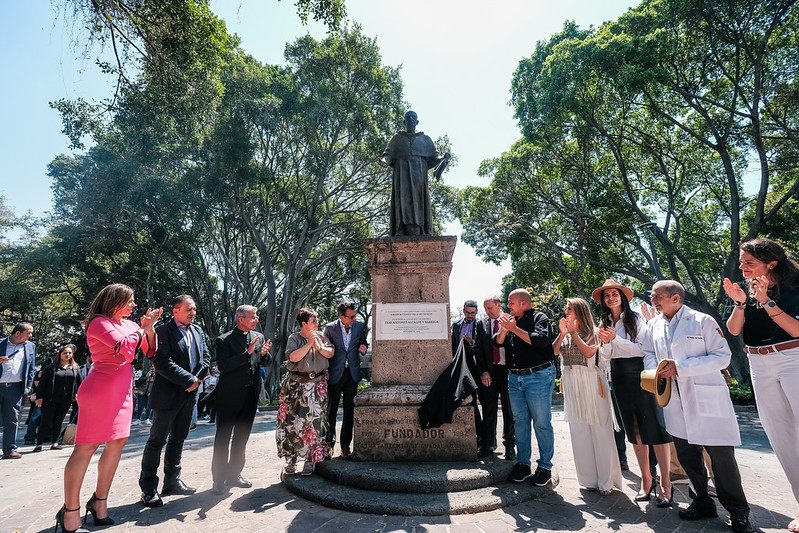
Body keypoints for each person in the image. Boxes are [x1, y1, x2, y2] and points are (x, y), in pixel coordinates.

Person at [642, 280, 753, 533]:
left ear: (675, 299)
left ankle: (738, 511)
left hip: (705, 397)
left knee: (721, 459)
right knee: (687, 456)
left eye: (657, 296)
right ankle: (702, 502)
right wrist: (654, 371)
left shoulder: (702, 321)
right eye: (652, 296)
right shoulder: (653, 324)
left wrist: (681, 368)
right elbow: (648, 352)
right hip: (674, 398)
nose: (652, 300)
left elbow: (722, 356)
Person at [59, 283, 161, 533]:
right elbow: (126, 350)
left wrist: (149, 328)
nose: (134, 305)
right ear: (115, 301)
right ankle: (70, 513)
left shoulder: (130, 325)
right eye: (130, 300)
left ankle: (99, 503)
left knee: (117, 443)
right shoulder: (98, 323)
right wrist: (142, 328)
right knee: (87, 447)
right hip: (99, 390)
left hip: (123, 390)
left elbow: (149, 350)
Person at [723, 238, 799, 533]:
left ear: (772, 263)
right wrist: (740, 303)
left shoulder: (794, 288)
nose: (742, 267)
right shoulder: (748, 291)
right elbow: (733, 330)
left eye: (749, 262)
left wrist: (766, 301)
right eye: (742, 261)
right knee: (780, 436)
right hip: (758, 363)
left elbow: (796, 329)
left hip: (793, 358)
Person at [594, 279, 673, 505]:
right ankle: (646, 480)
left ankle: (666, 484)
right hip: (618, 377)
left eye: (614, 294)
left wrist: (615, 339)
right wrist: (606, 343)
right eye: (606, 295)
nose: (610, 298)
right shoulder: (604, 322)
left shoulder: (636, 319)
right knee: (634, 431)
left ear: (622, 297)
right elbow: (606, 356)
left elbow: (642, 349)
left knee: (656, 429)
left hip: (640, 373)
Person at [139, 295, 210, 507]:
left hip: (190, 395)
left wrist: (197, 380)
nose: (193, 313)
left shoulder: (198, 331)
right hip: (167, 396)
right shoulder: (162, 331)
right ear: (176, 310)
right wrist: (189, 380)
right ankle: (148, 488)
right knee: (157, 441)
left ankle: (172, 481)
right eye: (189, 309)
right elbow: (162, 362)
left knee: (178, 439)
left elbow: (206, 358)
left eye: (194, 309)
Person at [553, 298, 622, 495]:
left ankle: (606, 481)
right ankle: (588, 479)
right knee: (579, 432)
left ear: (580, 311)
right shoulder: (566, 334)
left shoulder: (594, 332)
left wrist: (573, 333)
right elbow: (553, 352)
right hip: (573, 387)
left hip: (593, 384)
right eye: (566, 309)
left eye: (570, 309)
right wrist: (562, 333)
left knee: (600, 431)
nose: (566, 312)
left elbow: (589, 353)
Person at [496, 288, 557, 486]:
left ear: (523, 304)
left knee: (541, 422)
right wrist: (505, 329)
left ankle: (545, 467)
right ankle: (523, 464)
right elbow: (497, 342)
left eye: (511, 302)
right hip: (515, 378)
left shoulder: (540, 318)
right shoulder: (510, 322)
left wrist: (513, 329)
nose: (508, 306)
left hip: (538, 376)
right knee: (520, 422)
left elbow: (540, 341)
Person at [211, 305, 272, 495]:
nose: (256, 320)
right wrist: (247, 353)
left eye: (256, 317)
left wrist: (264, 354)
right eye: (253, 317)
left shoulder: (258, 336)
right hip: (229, 398)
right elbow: (224, 366)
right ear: (241, 319)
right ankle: (218, 480)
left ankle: (235, 475)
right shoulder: (224, 340)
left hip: (250, 397)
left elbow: (265, 363)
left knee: (241, 438)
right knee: (223, 438)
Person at [276, 307, 334, 475]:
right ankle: (292, 459)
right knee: (293, 423)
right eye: (313, 320)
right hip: (296, 385)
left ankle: (310, 459)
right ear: (304, 323)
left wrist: (318, 346)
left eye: (316, 320)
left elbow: (330, 353)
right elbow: (292, 357)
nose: (317, 323)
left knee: (314, 422)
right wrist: (309, 343)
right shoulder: (294, 338)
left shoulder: (321, 336)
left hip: (317, 385)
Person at [378, 110, 450, 236]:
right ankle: (400, 229)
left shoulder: (425, 139)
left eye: (413, 117)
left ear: (417, 121)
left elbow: (435, 156)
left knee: (419, 201)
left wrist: (443, 159)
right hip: (402, 173)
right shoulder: (397, 139)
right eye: (408, 117)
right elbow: (388, 154)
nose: (411, 119)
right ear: (404, 122)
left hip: (419, 174)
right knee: (402, 199)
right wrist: (384, 161)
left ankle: (421, 229)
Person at [323, 301, 368, 459]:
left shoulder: (359, 327)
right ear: (342, 317)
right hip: (335, 373)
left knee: (349, 411)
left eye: (355, 315)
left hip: (352, 374)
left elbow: (363, 342)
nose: (354, 319)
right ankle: (329, 444)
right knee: (331, 411)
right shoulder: (330, 328)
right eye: (351, 317)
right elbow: (324, 351)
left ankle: (345, 446)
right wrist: (325, 371)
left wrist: (364, 348)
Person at [474, 295, 516, 461]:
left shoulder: (511, 320)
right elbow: (478, 349)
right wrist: (483, 371)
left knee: (509, 410)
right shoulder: (481, 324)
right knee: (488, 409)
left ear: (499, 305)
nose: (487, 311)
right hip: (489, 373)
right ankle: (488, 445)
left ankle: (510, 446)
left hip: (508, 371)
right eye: (485, 308)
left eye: (490, 307)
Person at [451, 300, 486, 456]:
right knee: (468, 401)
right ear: (463, 311)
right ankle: (475, 435)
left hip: (477, 368)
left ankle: (484, 437)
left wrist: (472, 344)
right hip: (461, 368)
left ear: (476, 312)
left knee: (479, 402)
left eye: (472, 313)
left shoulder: (481, 325)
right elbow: (453, 345)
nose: (470, 315)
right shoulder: (456, 325)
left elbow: (484, 347)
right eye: (467, 312)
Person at [33, 344, 82, 452]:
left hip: (66, 399)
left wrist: (78, 394)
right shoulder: (51, 368)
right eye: (65, 353)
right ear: (60, 354)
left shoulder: (75, 368)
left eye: (70, 353)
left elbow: (80, 383)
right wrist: (39, 397)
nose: (67, 355)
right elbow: (42, 384)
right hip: (49, 399)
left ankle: (55, 443)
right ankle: (39, 444)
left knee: (58, 421)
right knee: (45, 421)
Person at [0, 322, 36, 460]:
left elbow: (31, 368)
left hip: (15, 389)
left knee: (12, 420)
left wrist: (29, 385)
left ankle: (10, 450)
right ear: (17, 333)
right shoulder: (1, 343)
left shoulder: (30, 346)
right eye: (28, 333)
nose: (31, 335)